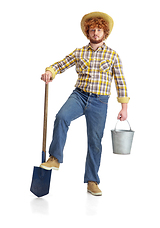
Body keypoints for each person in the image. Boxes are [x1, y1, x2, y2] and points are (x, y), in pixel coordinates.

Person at [40, 11, 130, 196]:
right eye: (92, 30)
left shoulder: (113, 55)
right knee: (61, 117)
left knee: (94, 142)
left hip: (100, 101)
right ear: (87, 33)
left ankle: (92, 181)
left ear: (104, 33)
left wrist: (124, 107)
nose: (95, 33)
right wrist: (50, 71)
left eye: (99, 30)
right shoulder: (79, 52)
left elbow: (120, 81)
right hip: (79, 96)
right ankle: (55, 157)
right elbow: (62, 64)